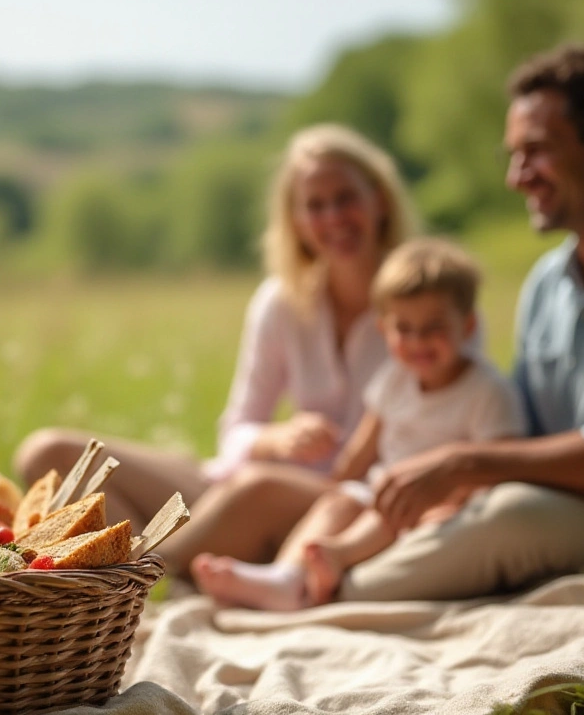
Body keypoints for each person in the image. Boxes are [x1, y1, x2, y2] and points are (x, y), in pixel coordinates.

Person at [167, 44, 584, 602]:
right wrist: (453, 481)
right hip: (576, 513)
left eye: (536, 152)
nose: (517, 177)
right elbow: (527, 436)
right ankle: (296, 573)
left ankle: (323, 593)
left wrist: (468, 464)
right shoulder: (548, 283)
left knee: (508, 514)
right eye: (513, 156)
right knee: (469, 505)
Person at [13, 124, 424, 573]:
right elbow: (237, 431)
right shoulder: (281, 302)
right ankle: (156, 559)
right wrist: (276, 438)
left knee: (257, 488)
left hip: (348, 507)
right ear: (297, 222)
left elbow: (451, 419)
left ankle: (146, 573)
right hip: (236, 491)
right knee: (46, 453)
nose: (333, 218)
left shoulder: (425, 299)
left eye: (345, 198)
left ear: (379, 199)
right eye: (315, 205)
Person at [190, 238, 527, 610]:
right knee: (339, 503)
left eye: (433, 328)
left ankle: (331, 559)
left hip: (445, 506)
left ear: (467, 325)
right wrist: (338, 484)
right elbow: (363, 448)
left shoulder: (487, 391)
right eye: (405, 329)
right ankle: (285, 576)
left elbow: (499, 465)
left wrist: (456, 502)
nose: (418, 342)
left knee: (388, 513)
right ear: (385, 330)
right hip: (384, 491)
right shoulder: (395, 380)